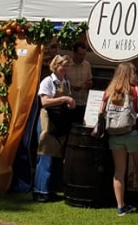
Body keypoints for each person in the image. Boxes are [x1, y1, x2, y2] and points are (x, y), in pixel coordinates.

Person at [99, 62, 138, 216]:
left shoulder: (109, 90)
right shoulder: (135, 90)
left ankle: (120, 206)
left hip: (115, 135)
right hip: (132, 133)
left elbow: (101, 111)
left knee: (119, 171)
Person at [33, 55, 76, 202]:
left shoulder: (66, 82)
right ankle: (40, 190)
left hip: (60, 122)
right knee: (45, 155)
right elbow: (44, 101)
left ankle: (52, 189)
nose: (65, 68)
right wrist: (64, 99)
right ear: (55, 66)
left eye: (66, 66)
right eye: (62, 65)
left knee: (56, 157)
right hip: (48, 121)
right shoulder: (48, 81)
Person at [65, 43, 93, 120]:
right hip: (69, 103)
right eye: (80, 54)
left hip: (83, 102)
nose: (82, 57)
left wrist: (89, 84)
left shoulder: (87, 65)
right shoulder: (66, 65)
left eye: (84, 54)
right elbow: (61, 82)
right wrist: (71, 86)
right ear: (73, 53)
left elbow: (89, 80)